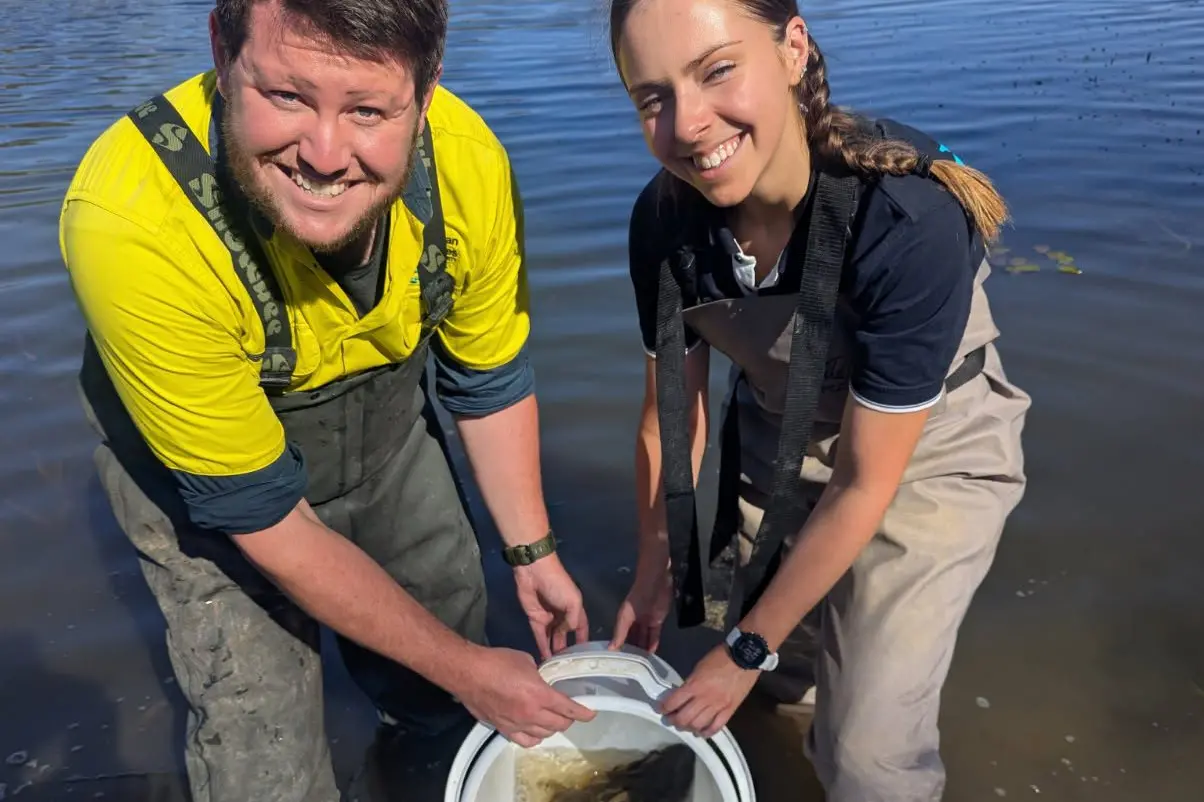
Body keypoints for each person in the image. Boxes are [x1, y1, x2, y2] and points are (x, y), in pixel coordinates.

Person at [59, 1, 597, 800]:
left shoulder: (467, 161)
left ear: (427, 90)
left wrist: (532, 551)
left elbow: (485, 381)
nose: (323, 154)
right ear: (221, 48)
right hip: (207, 500)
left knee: (446, 711)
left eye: (370, 111)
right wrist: (467, 669)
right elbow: (262, 516)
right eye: (285, 96)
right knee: (263, 757)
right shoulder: (131, 220)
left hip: (387, 448)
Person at [604, 0, 1031, 799]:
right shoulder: (663, 224)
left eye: (717, 69)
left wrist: (739, 649)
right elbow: (672, 418)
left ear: (792, 48)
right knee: (778, 684)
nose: (689, 124)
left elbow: (867, 481)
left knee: (868, 755)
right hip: (778, 426)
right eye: (652, 97)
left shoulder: (903, 216)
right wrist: (655, 565)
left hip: (928, 453)